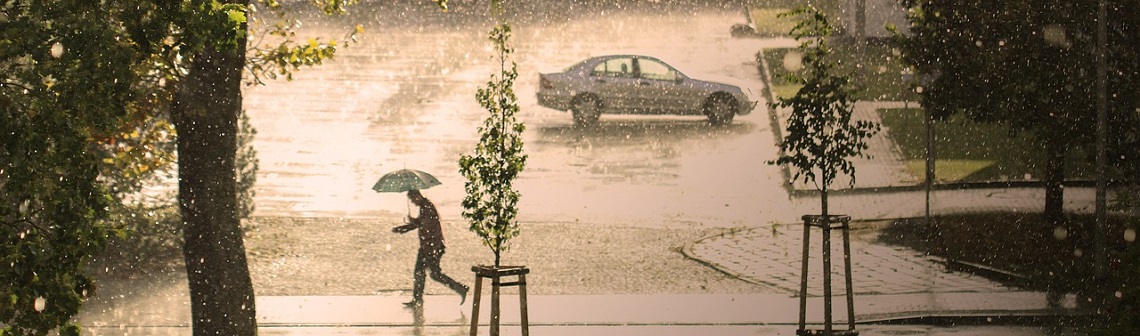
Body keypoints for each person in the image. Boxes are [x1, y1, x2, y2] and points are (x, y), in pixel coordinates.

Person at [392, 189, 468, 307]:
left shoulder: (427, 207)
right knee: (421, 272)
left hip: (433, 247)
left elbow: (424, 224)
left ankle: (460, 288)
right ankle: (418, 299)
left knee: (432, 274)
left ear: (417, 196)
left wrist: (407, 226)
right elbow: (422, 223)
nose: (413, 202)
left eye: (413, 199)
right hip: (429, 246)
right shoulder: (425, 206)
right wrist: (407, 226)